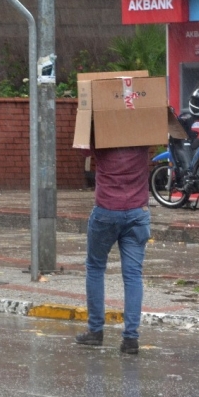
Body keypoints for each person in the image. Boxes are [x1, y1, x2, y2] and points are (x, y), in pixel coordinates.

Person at [75, 143, 151, 355]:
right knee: (133, 275)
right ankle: (130, 338)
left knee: (95, 267)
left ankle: (96, 331)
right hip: (138, 211)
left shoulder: (101, 137)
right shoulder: (143, 138)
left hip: (106, 211)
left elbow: (82, 149)